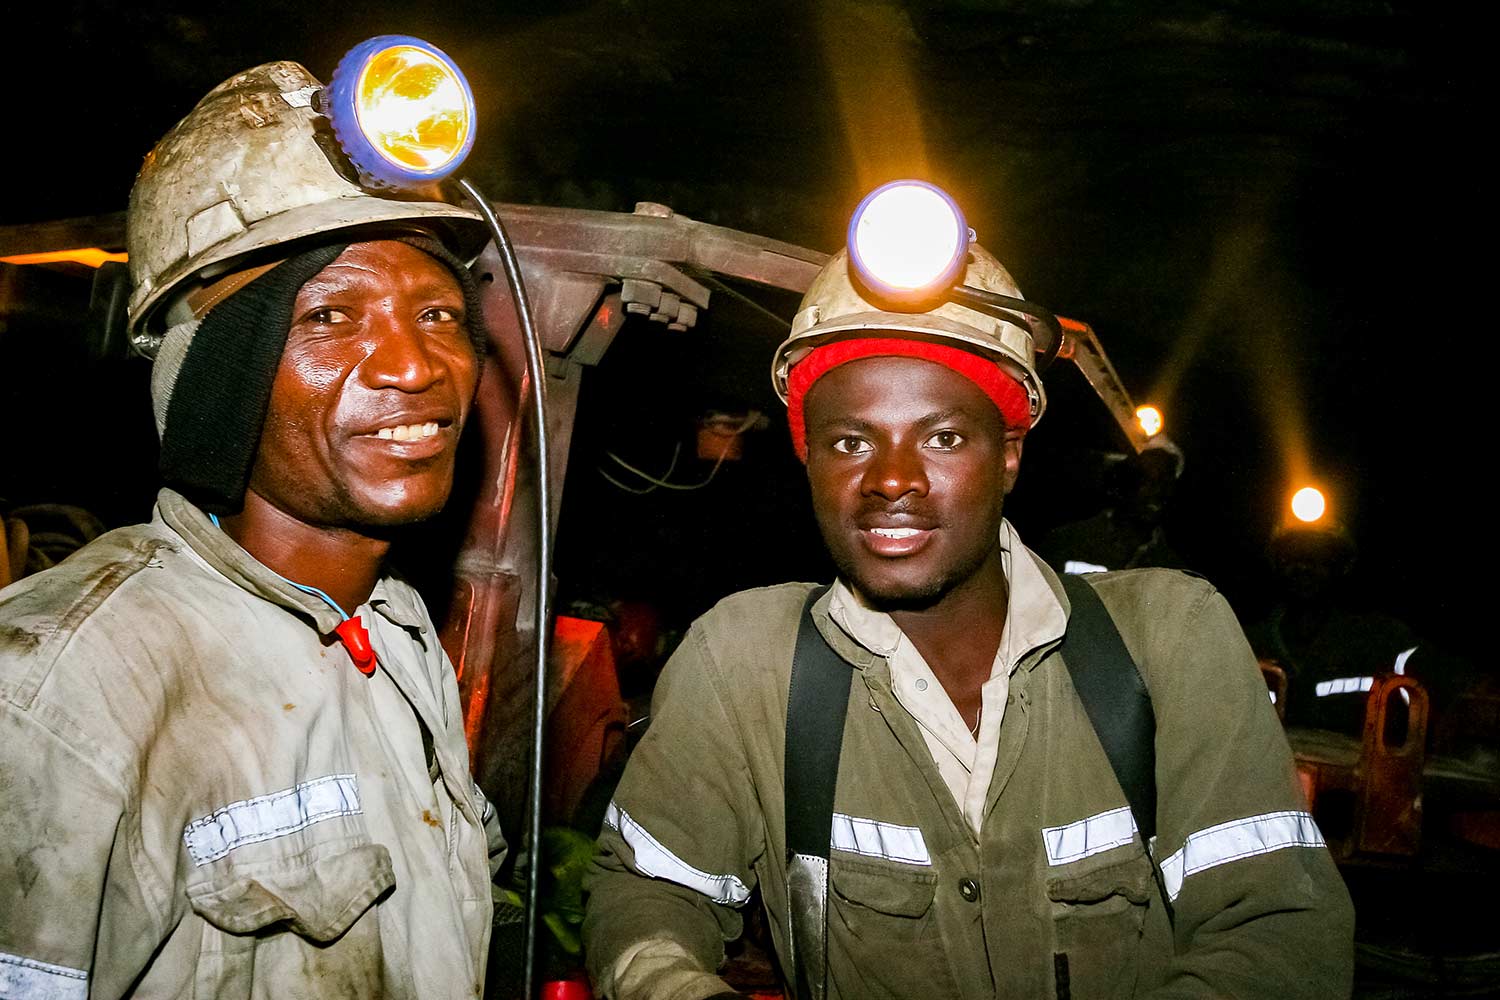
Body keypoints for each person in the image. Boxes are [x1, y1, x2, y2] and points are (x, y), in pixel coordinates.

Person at [583, 238, 1354, 998]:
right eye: (851, 441)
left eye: (943, 438)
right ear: (808, 458)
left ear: (1010, 453)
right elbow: (646, 901)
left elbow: (1275, 935)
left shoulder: (1165, 642)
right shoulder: (745, 664)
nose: (891, 479)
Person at [0, 60, 505, 998]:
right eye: (331, 314)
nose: (416, 363)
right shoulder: (56, 691)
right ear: (212, 381)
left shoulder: (396, 637)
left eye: (438, 312)